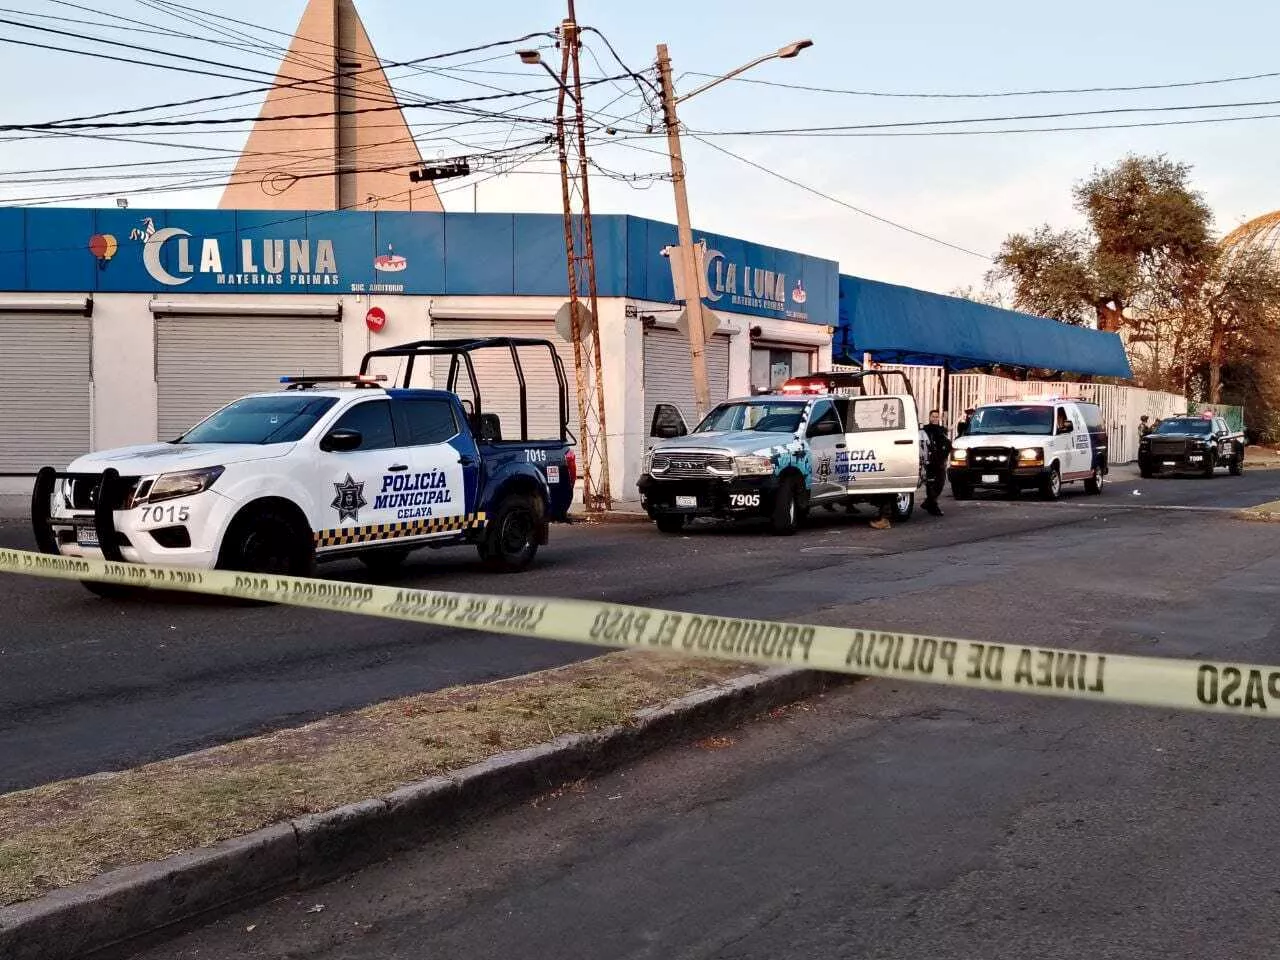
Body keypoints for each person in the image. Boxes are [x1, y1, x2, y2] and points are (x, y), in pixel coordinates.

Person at [922, 409, 951, 517]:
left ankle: (929, 503)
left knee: (940, 483)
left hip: (940, 461)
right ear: (929, 417)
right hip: (930, 461)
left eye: (936, 417)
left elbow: (947, 444)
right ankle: (933, 506)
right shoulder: (925, 430)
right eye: (933, 416)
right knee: (931, 485)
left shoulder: (942, 430)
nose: (935, 418)